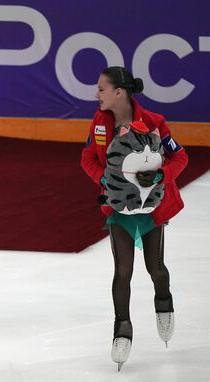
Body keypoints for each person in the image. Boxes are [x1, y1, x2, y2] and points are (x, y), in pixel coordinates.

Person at [80, 67, 188, 370]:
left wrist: (160, 176)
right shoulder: (100, 123)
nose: (96, 94)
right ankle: (122, 330)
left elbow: (180, 157)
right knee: (122, 269)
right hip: (118, 209)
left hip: (152, 207)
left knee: (155, 267)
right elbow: (87, 156)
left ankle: (163, 301)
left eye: (101, 89)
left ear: (119, 93)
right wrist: (106, 181)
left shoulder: (154, 122)